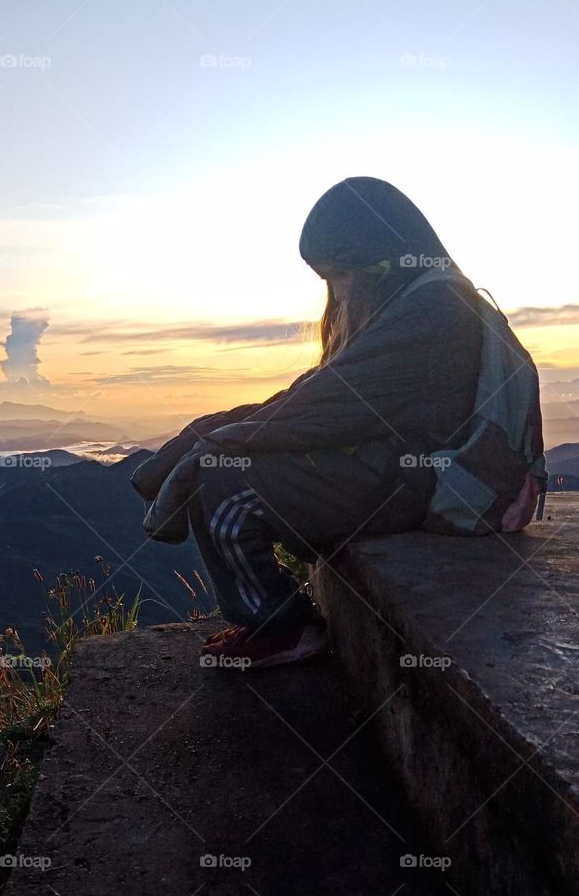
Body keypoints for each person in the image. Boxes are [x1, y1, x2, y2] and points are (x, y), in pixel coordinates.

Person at [132, 176, 499, 669]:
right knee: (216, 456)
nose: (337, 289)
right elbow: (316, 393)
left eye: (341, 272)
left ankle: (286, 628)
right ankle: (268, 619)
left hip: (419, 479)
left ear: (379, 256)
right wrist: (210, 429)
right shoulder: (407, 302)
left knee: (224, 482)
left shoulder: (435, 309)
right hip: (386, 467)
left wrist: (217, 440)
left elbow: (332, 406)